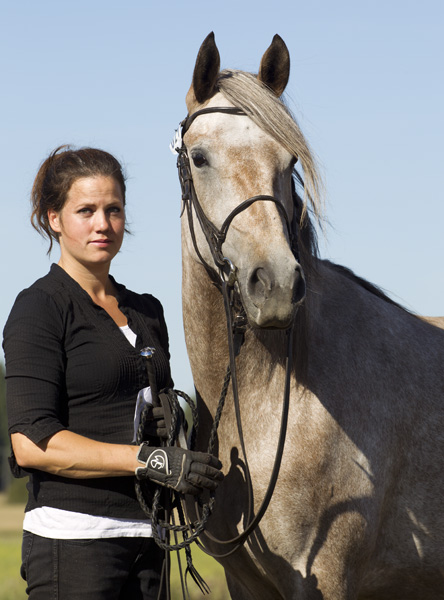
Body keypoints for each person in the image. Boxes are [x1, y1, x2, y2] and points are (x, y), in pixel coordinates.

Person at [3, 146, 223, 600]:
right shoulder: (40, 308)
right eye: (86, 211)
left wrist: (173, 433)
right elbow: (31, 444)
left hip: (150, 538)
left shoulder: (147, 311)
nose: (103, 224)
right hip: (74, 541)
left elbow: (151, 424)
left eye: (113, 209)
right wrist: (148, 460)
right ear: (53, 219)